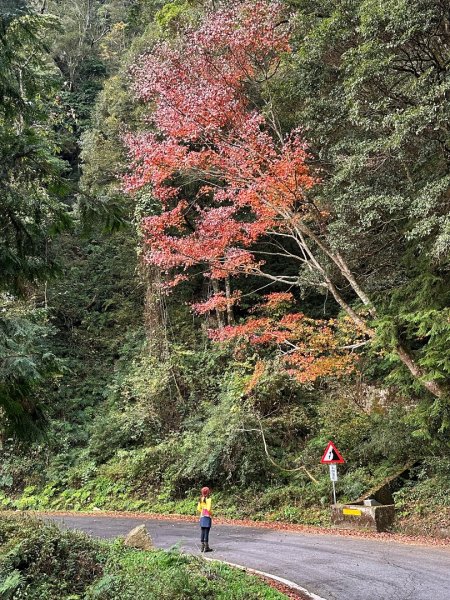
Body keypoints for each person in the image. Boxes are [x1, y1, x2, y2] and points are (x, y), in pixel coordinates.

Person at [197, 486, 213, 552]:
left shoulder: (200, 499)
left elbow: (198, 508)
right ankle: (206, 547)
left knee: (202, 531)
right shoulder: (209, 500)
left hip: (202, 516)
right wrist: (211, 513)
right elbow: (209, 509)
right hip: (207, 517)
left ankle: (202, 546)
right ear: (208, 492)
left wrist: (202, 511)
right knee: (207, 531)